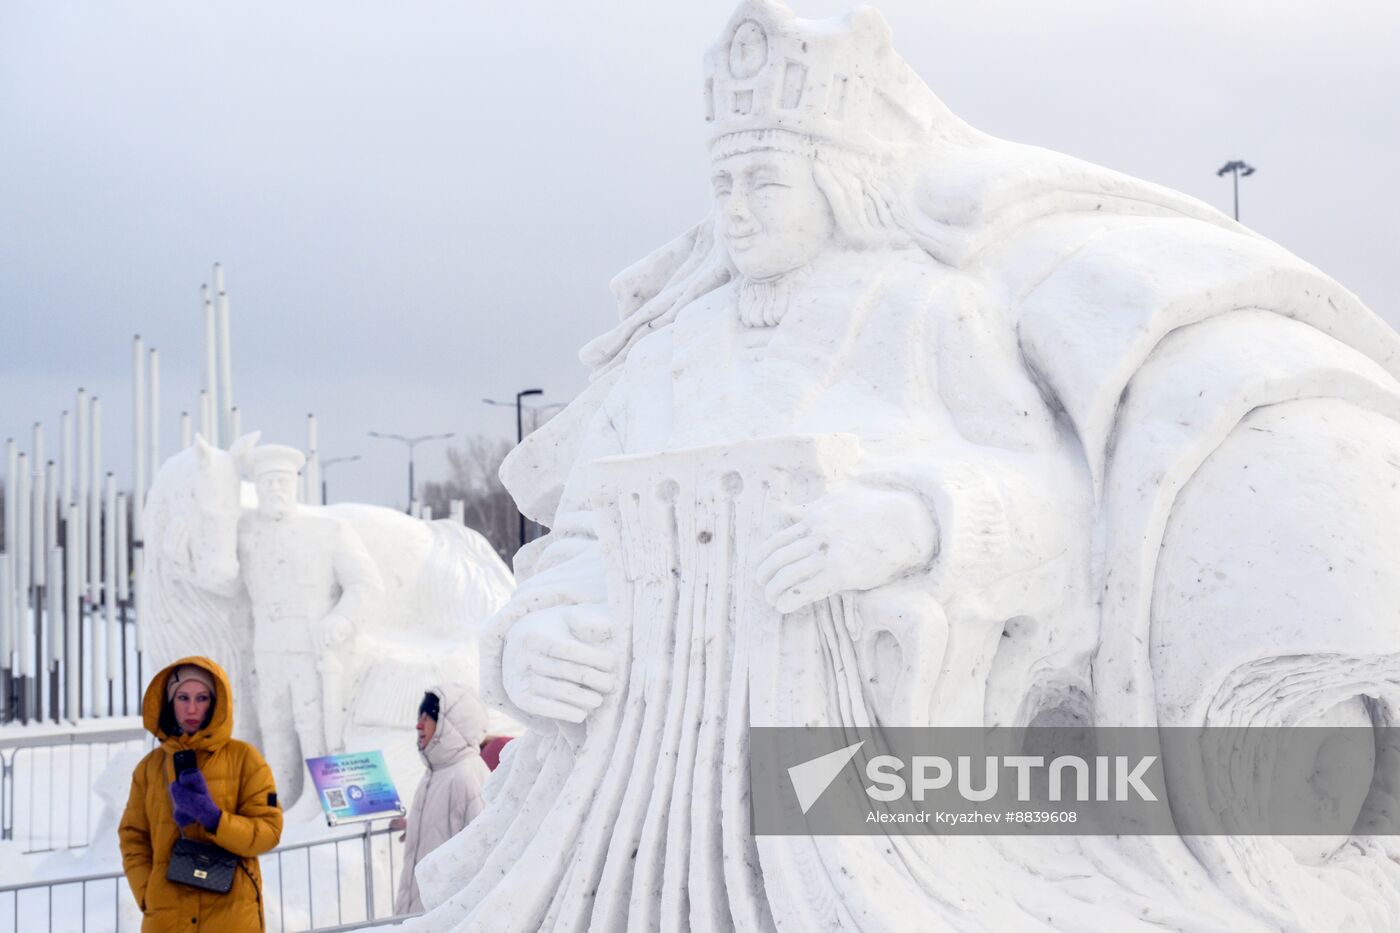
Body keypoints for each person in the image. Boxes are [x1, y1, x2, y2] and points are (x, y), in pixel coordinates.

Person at [236, 443, 383, 806]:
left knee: (314, 725)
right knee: (275, 724)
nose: (275, 489)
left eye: (282, 481)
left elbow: (366, 584)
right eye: (267, 482)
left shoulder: (328, 530)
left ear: (295, 484)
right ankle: (282, 799)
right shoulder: (246, 533)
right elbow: (227, 580)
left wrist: (342, 618)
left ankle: (320, 802)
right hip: (267, 649)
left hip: (312, 648)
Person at [119, 657, 282, 931]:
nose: (192, 708)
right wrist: (148, 893)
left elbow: (268, 832)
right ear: (170, 702)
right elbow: (132, 837)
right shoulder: (149, 768)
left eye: (202, 697)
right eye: (183, 697)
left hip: (231, 915)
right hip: (168, 918)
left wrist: (214, 819)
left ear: (216, 703)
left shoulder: (245, 759)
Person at [394, 685, 490, 915]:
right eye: (421, 714)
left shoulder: (465, 776)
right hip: (422, 912)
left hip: (448, 914)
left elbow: (485, 845)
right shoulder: (434, 773)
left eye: (431, 716)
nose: (420, 724)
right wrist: (416, 826)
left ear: (453, 724)